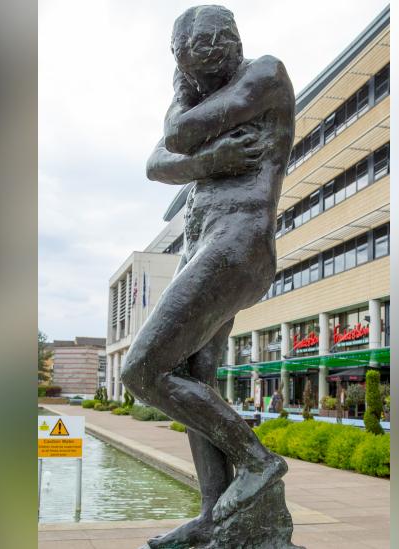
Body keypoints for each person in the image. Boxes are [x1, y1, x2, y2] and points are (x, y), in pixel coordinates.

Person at [120, 5, 296, 547]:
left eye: (222, 41)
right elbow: (157, 164)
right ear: (184, 59)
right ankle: (213, 513)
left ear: (234, 42)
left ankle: (256, 461)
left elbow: (175, 134)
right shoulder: (200, 93)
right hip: (203, 245)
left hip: (237, 244)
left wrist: (189, 131)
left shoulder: (264, 73)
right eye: (197, 52)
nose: (216, 52)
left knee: (142, 371)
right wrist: (207, 161)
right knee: (194, 378)